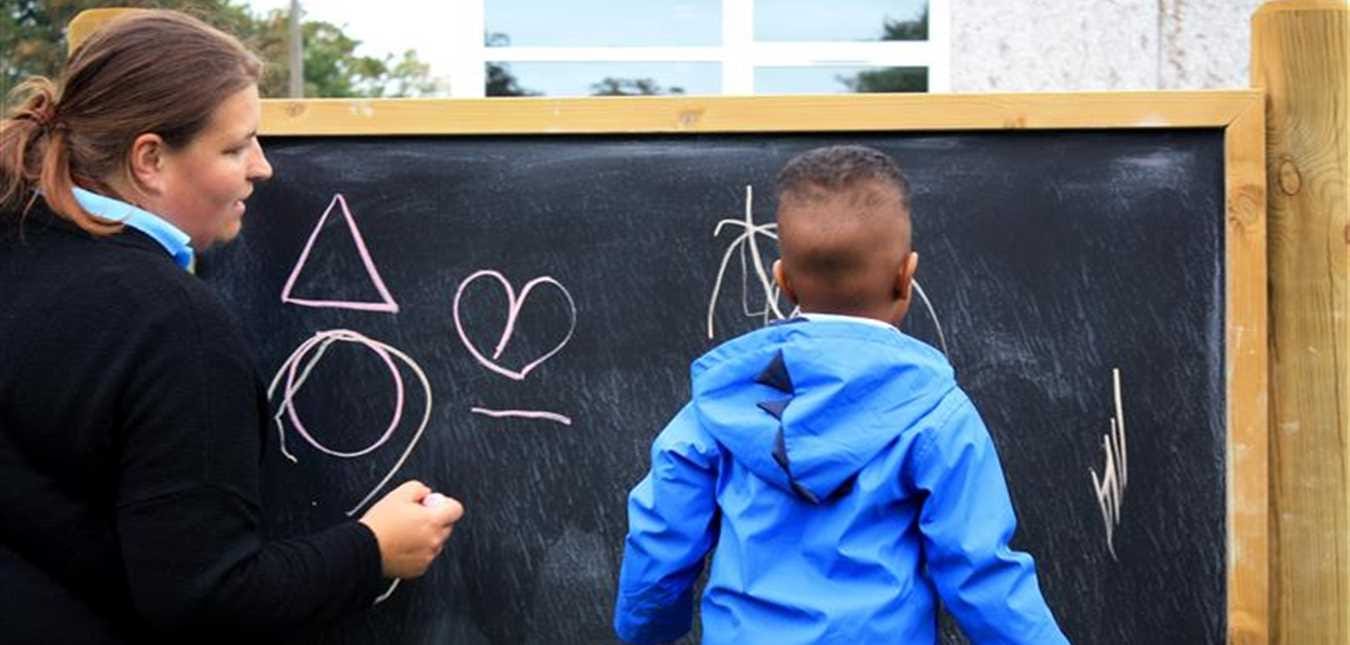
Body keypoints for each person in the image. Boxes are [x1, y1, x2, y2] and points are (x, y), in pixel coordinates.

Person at [0, 10, 463, 643]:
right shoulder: (167, 323)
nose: (263, 167)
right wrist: (373, 549)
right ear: (150, 160)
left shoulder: (19, 247)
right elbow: (206, 597)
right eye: (235, 146)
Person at [613, 145, 1068, 644]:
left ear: (781, 281)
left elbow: (660, 541)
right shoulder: (936, 414)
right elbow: (981, 572)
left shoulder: (720, 406)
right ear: (906, 275)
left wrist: (645, 631)